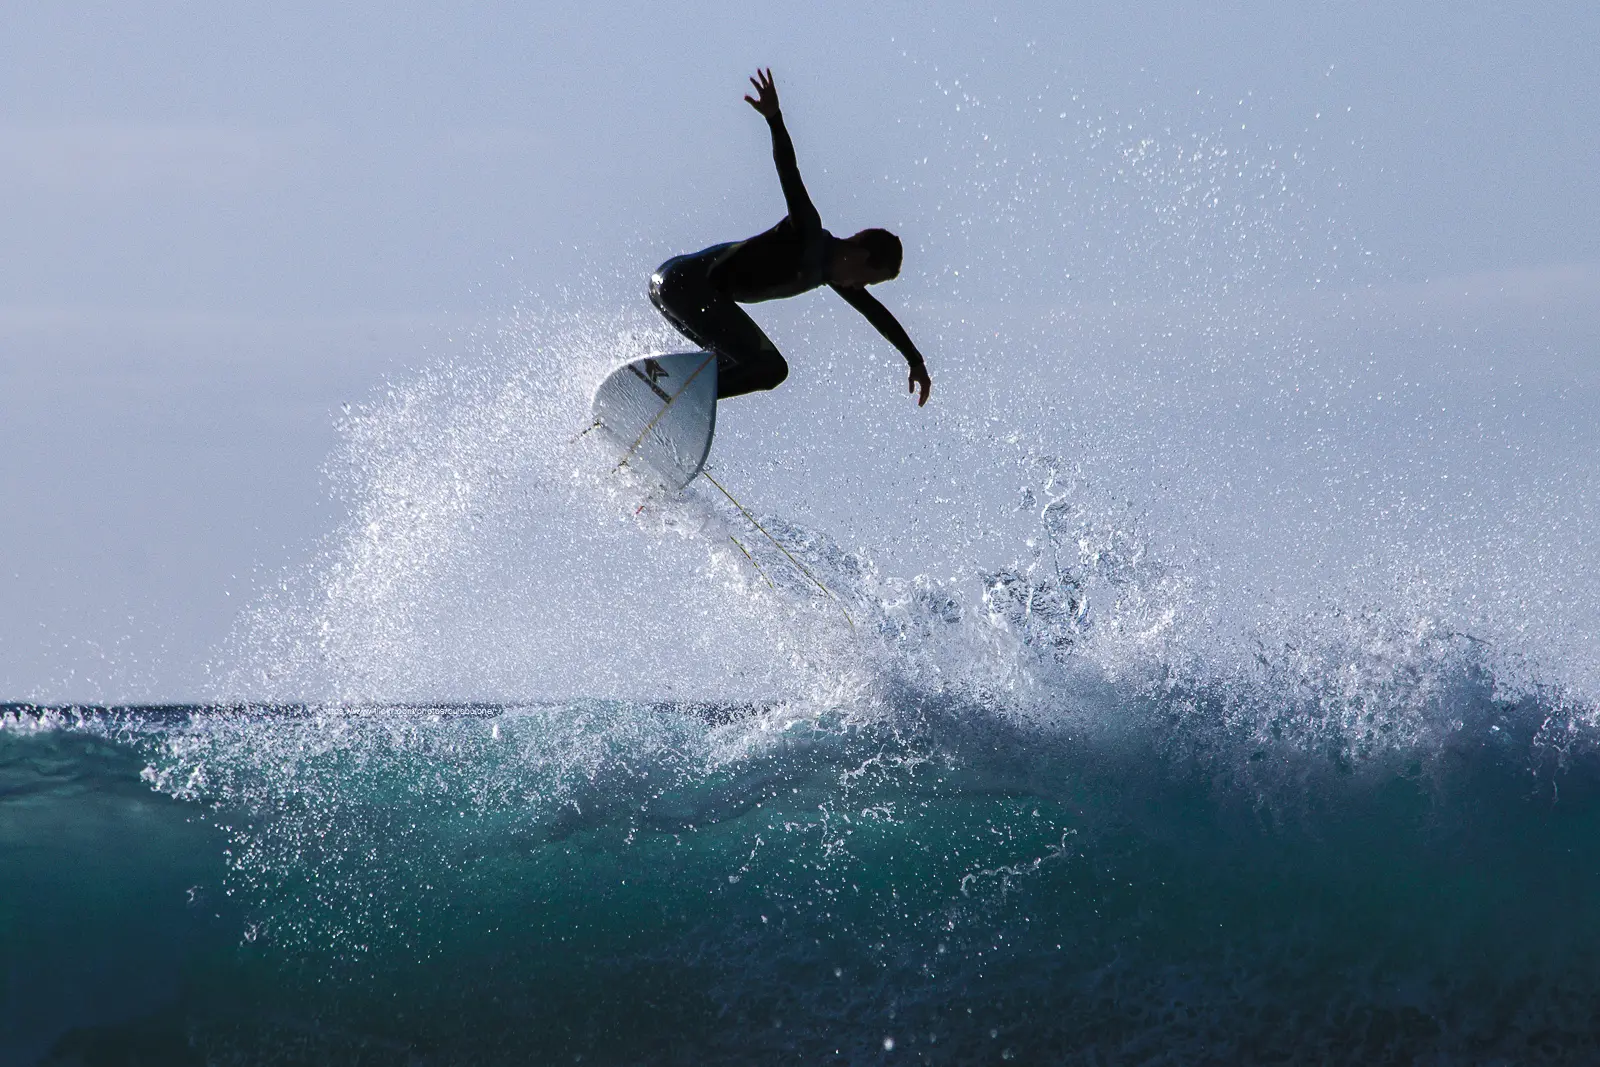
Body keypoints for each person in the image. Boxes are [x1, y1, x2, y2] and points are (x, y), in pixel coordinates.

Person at [650, 69, 932, 406]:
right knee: (769, 367)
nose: (860, 288)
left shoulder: (831, 274)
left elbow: (876, 314)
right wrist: (774, 118)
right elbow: (789, 171)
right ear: (859, 255)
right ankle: (679, 399)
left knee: (730, 364)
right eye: (867, 279)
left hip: (675, 285)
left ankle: (659, 390)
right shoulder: (808, 232)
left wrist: (915, 361)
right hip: (685, 283)